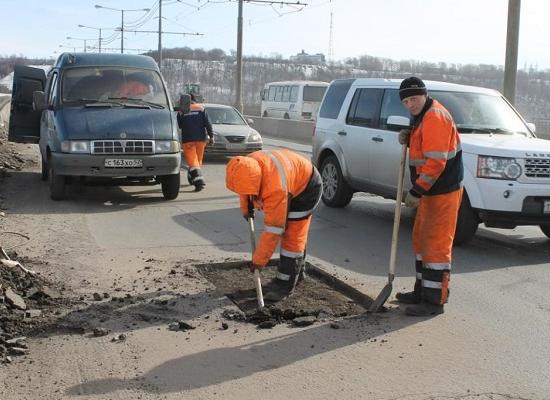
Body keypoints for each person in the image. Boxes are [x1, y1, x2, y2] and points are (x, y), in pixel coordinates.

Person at [396, 76, 464, 316]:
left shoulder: (435, 116)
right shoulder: (422, 116)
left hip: (442, 192)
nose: (410, 104)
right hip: (431, 193)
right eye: (405, 101)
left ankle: (434, 301)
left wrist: (417, 191)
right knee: (421, 241)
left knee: (435, 247)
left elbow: (435, 162)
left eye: (414, 99)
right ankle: (421, 291)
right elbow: (424, 148)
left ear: (424, 95)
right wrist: (410, 136)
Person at [225, 149, 323, 300]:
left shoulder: (275, 188)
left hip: (307, 189)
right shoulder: (247, 165)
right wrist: (246, 208)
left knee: (292, 237)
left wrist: (258, 261)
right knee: (292, 236)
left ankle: (284, 286)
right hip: (292, 178)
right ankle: (299, 272)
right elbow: (244, 188)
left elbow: (273, 231)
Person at [177, 93, 213, 191]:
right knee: (197, 161)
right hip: (201, 139)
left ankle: (199, 182)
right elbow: (208, 124)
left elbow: (179, 125)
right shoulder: (201, 108)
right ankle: (192, 176)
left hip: (188, 139)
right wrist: (211, 136)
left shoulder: (182, 111)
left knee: (193, 161)